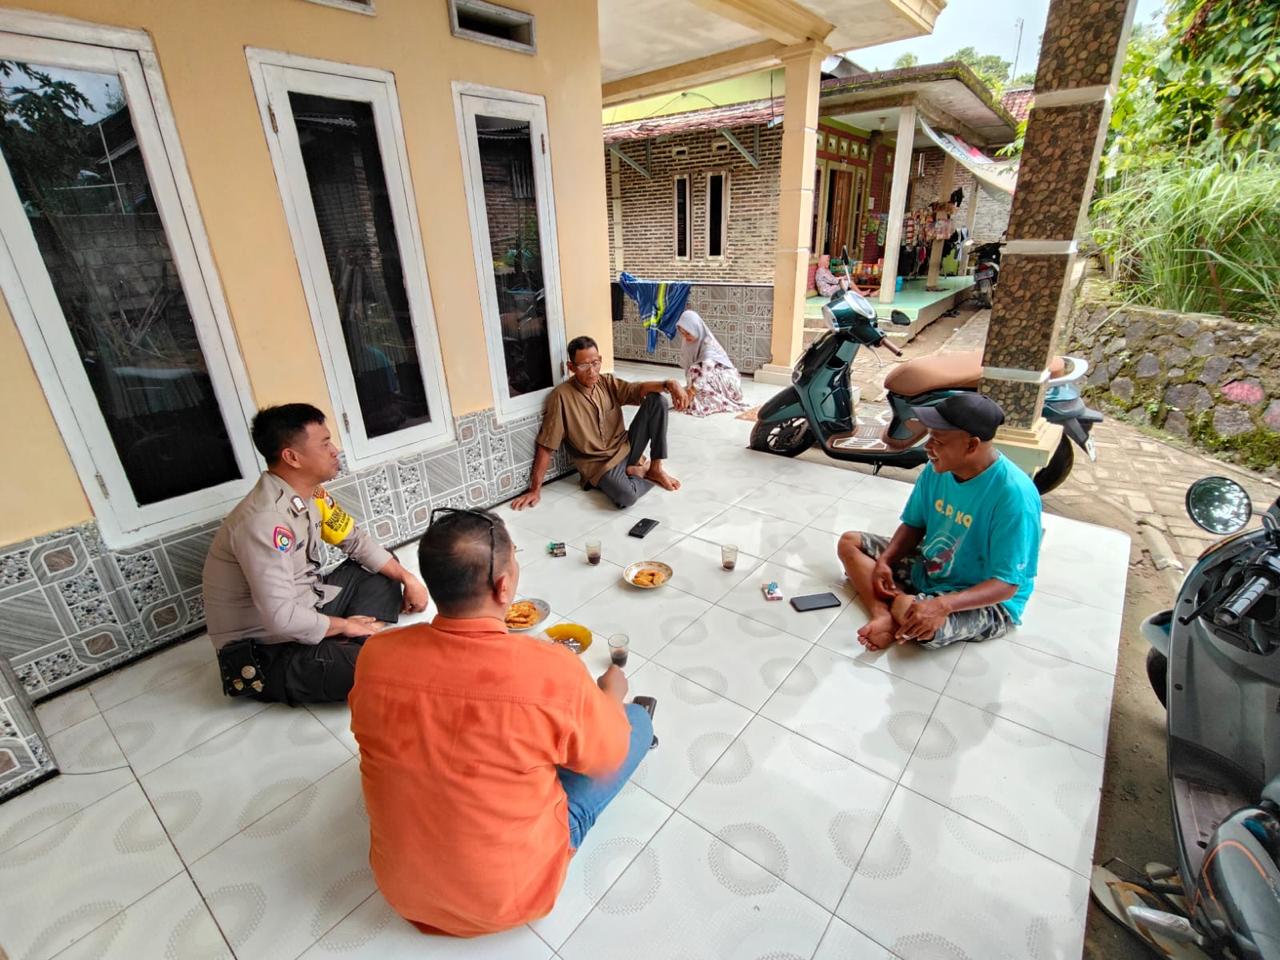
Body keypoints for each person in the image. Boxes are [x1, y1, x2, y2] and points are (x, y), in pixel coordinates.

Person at [349, 508, 653, 937]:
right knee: (635, 723)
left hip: (404, 893)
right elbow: (607, 755)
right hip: (512, 896)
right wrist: (611, 694)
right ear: (503, 585)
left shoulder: (377, 654)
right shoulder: (551, 668)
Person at [202, 403, 429, 704]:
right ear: (292, 457)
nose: (335, 451)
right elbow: (281, 618)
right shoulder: (264, 521)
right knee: (389, 668)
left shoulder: (310, 495)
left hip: (309, 607)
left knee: (382, 565)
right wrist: (345, 625)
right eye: (324, 444)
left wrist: (409, 579)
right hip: (268, 651)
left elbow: (356, 541)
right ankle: (352, 640)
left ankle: (354, 638)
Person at [837, 393, 1041, 651]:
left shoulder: (1014, 495)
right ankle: (882, 614)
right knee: (850, 543)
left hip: (986, 600)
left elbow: (1007, 584)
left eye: (938, 440)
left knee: (914, 617)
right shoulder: (938, 469)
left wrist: (943, 605)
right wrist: (886, 561)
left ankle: (903, 604)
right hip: (931, 567)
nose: (928, 446)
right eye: (930, 436)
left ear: (971, 445)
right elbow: (914, 525)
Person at [511, 335, 688, 511]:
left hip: (626, 447)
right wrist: (535, 489)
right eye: (583, 365)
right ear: (571, 367)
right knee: (626, 497)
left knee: (657, 401)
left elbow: (637, 389)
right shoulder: (561, 397)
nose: (592, 371)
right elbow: (546, 445)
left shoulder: (607, 382)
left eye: (595, 363)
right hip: (600, 465)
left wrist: (669, 384)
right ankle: (639, 472)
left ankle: (655, 468)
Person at [675, 310, 749, 418]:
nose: (685, 336)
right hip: (707, 375)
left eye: (688, 333)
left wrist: (692, 390)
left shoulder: (707, 344)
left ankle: (705, 401)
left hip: (726, 379)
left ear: (697, 329)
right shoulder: (689, 341)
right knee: (694, 371)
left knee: (696, 375)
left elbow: (706, 372)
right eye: (682, 333)